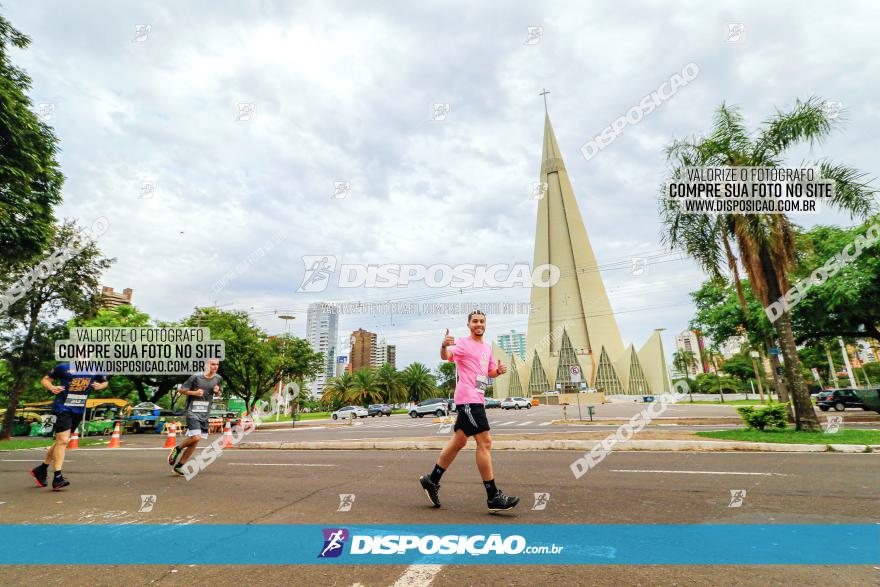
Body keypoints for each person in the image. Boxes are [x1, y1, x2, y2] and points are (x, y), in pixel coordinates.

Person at [419, 310, 519, 512]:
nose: (479, 324)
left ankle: (432, 480)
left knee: (460, 441)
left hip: (477, 399)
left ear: (485, 324)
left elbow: (487, 373)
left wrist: (497, 372)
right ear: (468, 324)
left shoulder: (487, 348)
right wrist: (443, 345)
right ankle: (493, 496)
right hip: (468, 399)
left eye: (482, 321)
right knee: (485, 442)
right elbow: (446, 355)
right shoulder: (463, 344)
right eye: (475, 321)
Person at [30, 363, 108, 490]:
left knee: (61, 441)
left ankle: (41, 469)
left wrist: (100, 386)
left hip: (78, 409)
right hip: (62, 407)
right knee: (63, 441)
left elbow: (105, 382)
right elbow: (45, 380)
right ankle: (58, 477)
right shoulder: (63, 367)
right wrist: (51, 387)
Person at [167, 359, 222, 476]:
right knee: (196, 437)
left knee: (194, 442)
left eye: (217, 364)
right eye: (213, 364)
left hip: (205, 413)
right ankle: (177, 448)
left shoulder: (218, 378)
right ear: (207, 365)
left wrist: (217, 392)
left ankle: (179, 466)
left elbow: (218, 392)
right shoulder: (196, 377)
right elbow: (181, 389)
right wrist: (194, 393)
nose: (215, 366)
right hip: (192, 411)